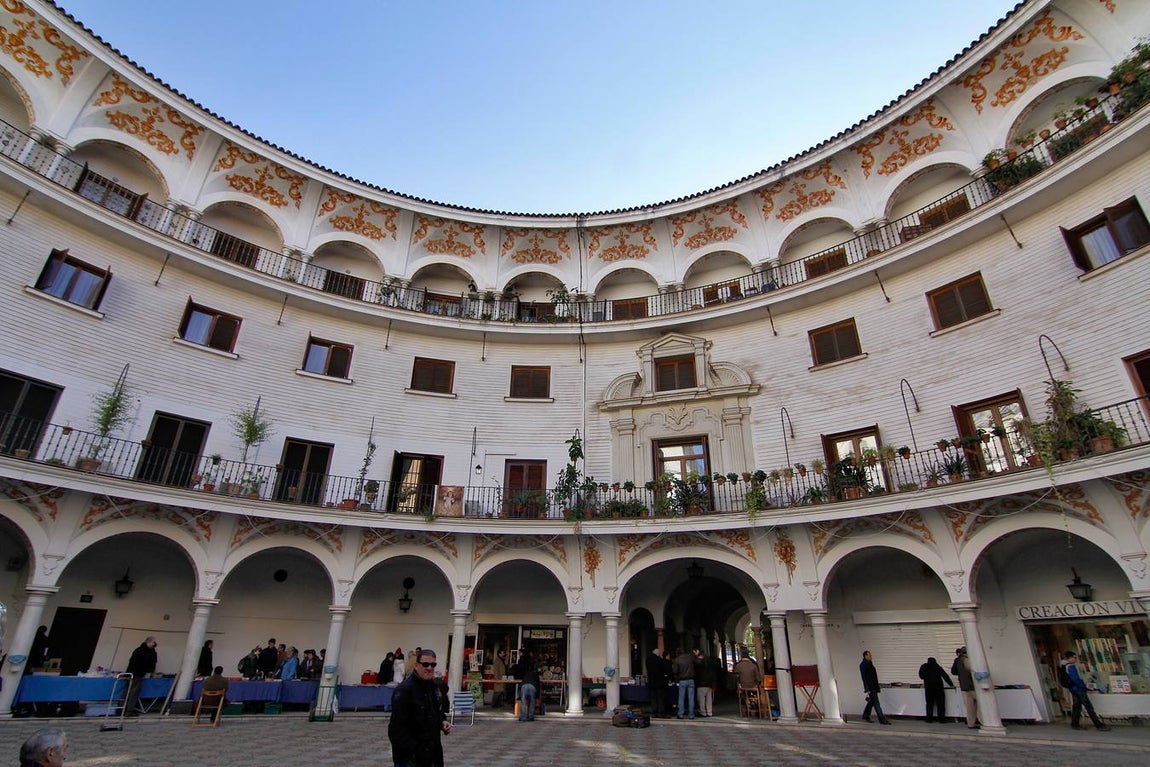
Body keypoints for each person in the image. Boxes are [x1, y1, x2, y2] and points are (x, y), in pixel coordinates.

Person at [388, 648, 451, 767]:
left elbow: (436, 711)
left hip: (432, 753)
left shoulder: (433, 687)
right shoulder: (404, 690)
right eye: (425, 664)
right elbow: (396, 730)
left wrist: (442, 722)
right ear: (416, 665)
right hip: (412, 757)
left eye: (433, 665)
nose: (429, 668)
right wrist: (409, 755)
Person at [1062, 651, 1111, 731]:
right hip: (1078, 689)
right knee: (1088, 707)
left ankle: (1075, 723)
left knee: (1077, 706)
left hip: (1073, 689)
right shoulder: (1071, 666)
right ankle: (1098, 725)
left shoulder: (1064, 666)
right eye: (1074, 657)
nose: (1076, 659)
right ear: (1070, 658)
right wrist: (1083, 687)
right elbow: (1076, 679)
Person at [124, 636, 158, 717]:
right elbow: (150, 663)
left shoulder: (138, 649)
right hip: (137, 674)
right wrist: (149, 672)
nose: (154, 644)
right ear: (149, 642)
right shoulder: (147, 651)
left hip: (130, 672)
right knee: (134, 692)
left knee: (127, 691)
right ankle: (129, 710)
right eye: (153, 643)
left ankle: (122, 708)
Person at [917, 656, 953, 723]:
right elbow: (945, 676)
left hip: (928, 688)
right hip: (938, 688)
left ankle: (929, 719)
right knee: (941, 704)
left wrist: (926, 677)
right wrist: (951, 684)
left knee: (929, 704)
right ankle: (942, 719)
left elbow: (921, 676)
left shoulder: (924, 667)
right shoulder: (938, 667)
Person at [859, 650, 890, 725]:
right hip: (870, 687)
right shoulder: (863, 665)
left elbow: (874, 676)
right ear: (865, 656)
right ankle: (882, 719)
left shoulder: (870, 664)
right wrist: (866, 688)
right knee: (876, 703)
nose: (871, 657)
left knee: (871, 702)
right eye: (869, 655)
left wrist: (877, 686)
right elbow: (864, 677)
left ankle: (865, 715)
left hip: (874, 686)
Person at [950, 646, 978, 729]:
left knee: (969, 706)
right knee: (980, 704)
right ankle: (985, 722)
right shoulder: (969, 660)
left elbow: (953, 671)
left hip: (964, 686)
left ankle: (971, 723)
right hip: (973, 685)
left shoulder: (957, 660)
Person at [672, 648, 696, 720]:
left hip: (682, 680)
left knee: (681, 698)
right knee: (691, 698)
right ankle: (691, 715)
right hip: (691, 679)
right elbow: (698, 663)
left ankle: (680, 714)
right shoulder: (690, 657)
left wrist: (677, 677)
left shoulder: (677, 660)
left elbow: (675, 671)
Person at [647, 647, 669, 718]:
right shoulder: (660, 660)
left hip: (652, 681)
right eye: (659, 653)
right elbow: (664, 670)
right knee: (660, 698)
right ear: (657, 653)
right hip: (659, 682)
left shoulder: (648, 659)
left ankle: (654, 712)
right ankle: (661, 712)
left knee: (653, 698)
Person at [517, 653, 540, 722]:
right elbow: (538, 684)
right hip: (532, 686)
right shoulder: (536, 674)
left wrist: (519, 694)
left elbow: (522, 682)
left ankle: (523, 717)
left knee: (523, 701)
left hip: (524, 686)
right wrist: (537, 696)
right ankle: (531, 717)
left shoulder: (526, 673)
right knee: (532, 701)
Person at [695, 648, 716, 717]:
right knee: (709, 699)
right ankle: (709, 712)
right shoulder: (709, 662)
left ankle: (703, 712)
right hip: (709, 683)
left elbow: (696, 672)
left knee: (701, 699)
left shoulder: (698, 663)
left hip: (701, 683)